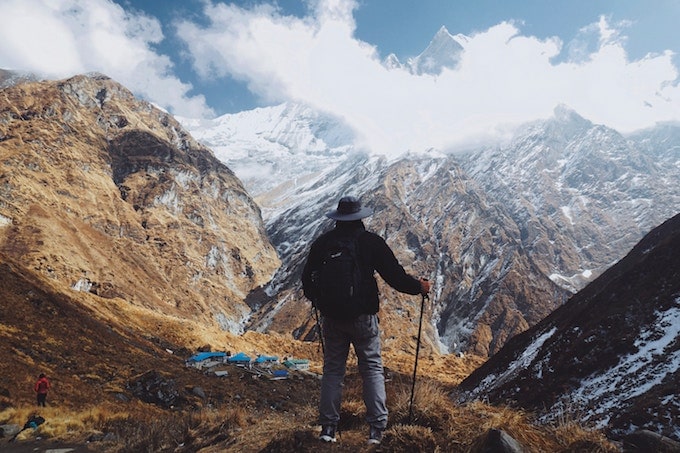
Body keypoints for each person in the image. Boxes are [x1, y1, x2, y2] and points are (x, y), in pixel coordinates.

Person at [302, 196, 430, 445]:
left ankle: (328, 429)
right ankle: (376, 430)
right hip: (363, 317)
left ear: (338, 218)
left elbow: (307, 279)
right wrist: (419, 287)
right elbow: (395, 277)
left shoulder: (323, 243)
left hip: (332, 318)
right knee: (371, 368)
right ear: (360, 216)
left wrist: (319, 301)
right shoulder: (371, 242)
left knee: (333, 371)